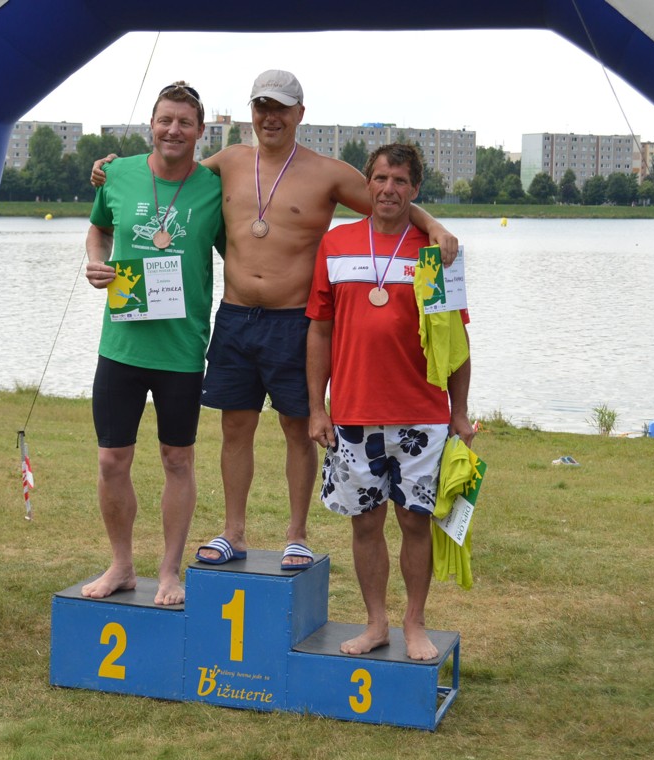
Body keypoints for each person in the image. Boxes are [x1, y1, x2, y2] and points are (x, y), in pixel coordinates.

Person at [94, 70, 459, 572]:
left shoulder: (327, 173)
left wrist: (434, 226)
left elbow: (387, 201)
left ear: (299, 114)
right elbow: (169, 167)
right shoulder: (226, 163)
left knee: (297, 427)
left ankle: (296, 535)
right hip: (235, 316)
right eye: (262, 106)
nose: (271, 117)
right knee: (235, 426)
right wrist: (112, 170)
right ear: (252, 111)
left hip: (294, 320)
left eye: (281, 108)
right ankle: (233, 531)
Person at [305, 142, 474, 660]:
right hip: (354, 412)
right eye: (380, 179)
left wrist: (459, 412)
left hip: (421, 414)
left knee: (415, 522)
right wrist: (317, 408)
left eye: (400, 181)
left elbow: (457, 340)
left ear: (415, 188)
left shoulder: (436, 253)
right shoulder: (336, 245)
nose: (388, 189)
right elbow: (319, 330)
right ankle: (376, 623)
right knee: (365, 523)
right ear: (368, 184)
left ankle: (414, 624)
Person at [81, 81, 224, 605]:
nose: (173, 130)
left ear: (200, 131)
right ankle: (121, 565)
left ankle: (168, 572)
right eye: (166, 120)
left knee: (177, 459)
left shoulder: (214, 189)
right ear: (151, 124)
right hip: (121, 345)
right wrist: (95, 262)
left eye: (185, 122)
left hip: (181, 350)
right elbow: (98, 229)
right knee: (111, 460)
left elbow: (245, 254)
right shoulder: (116, 173)